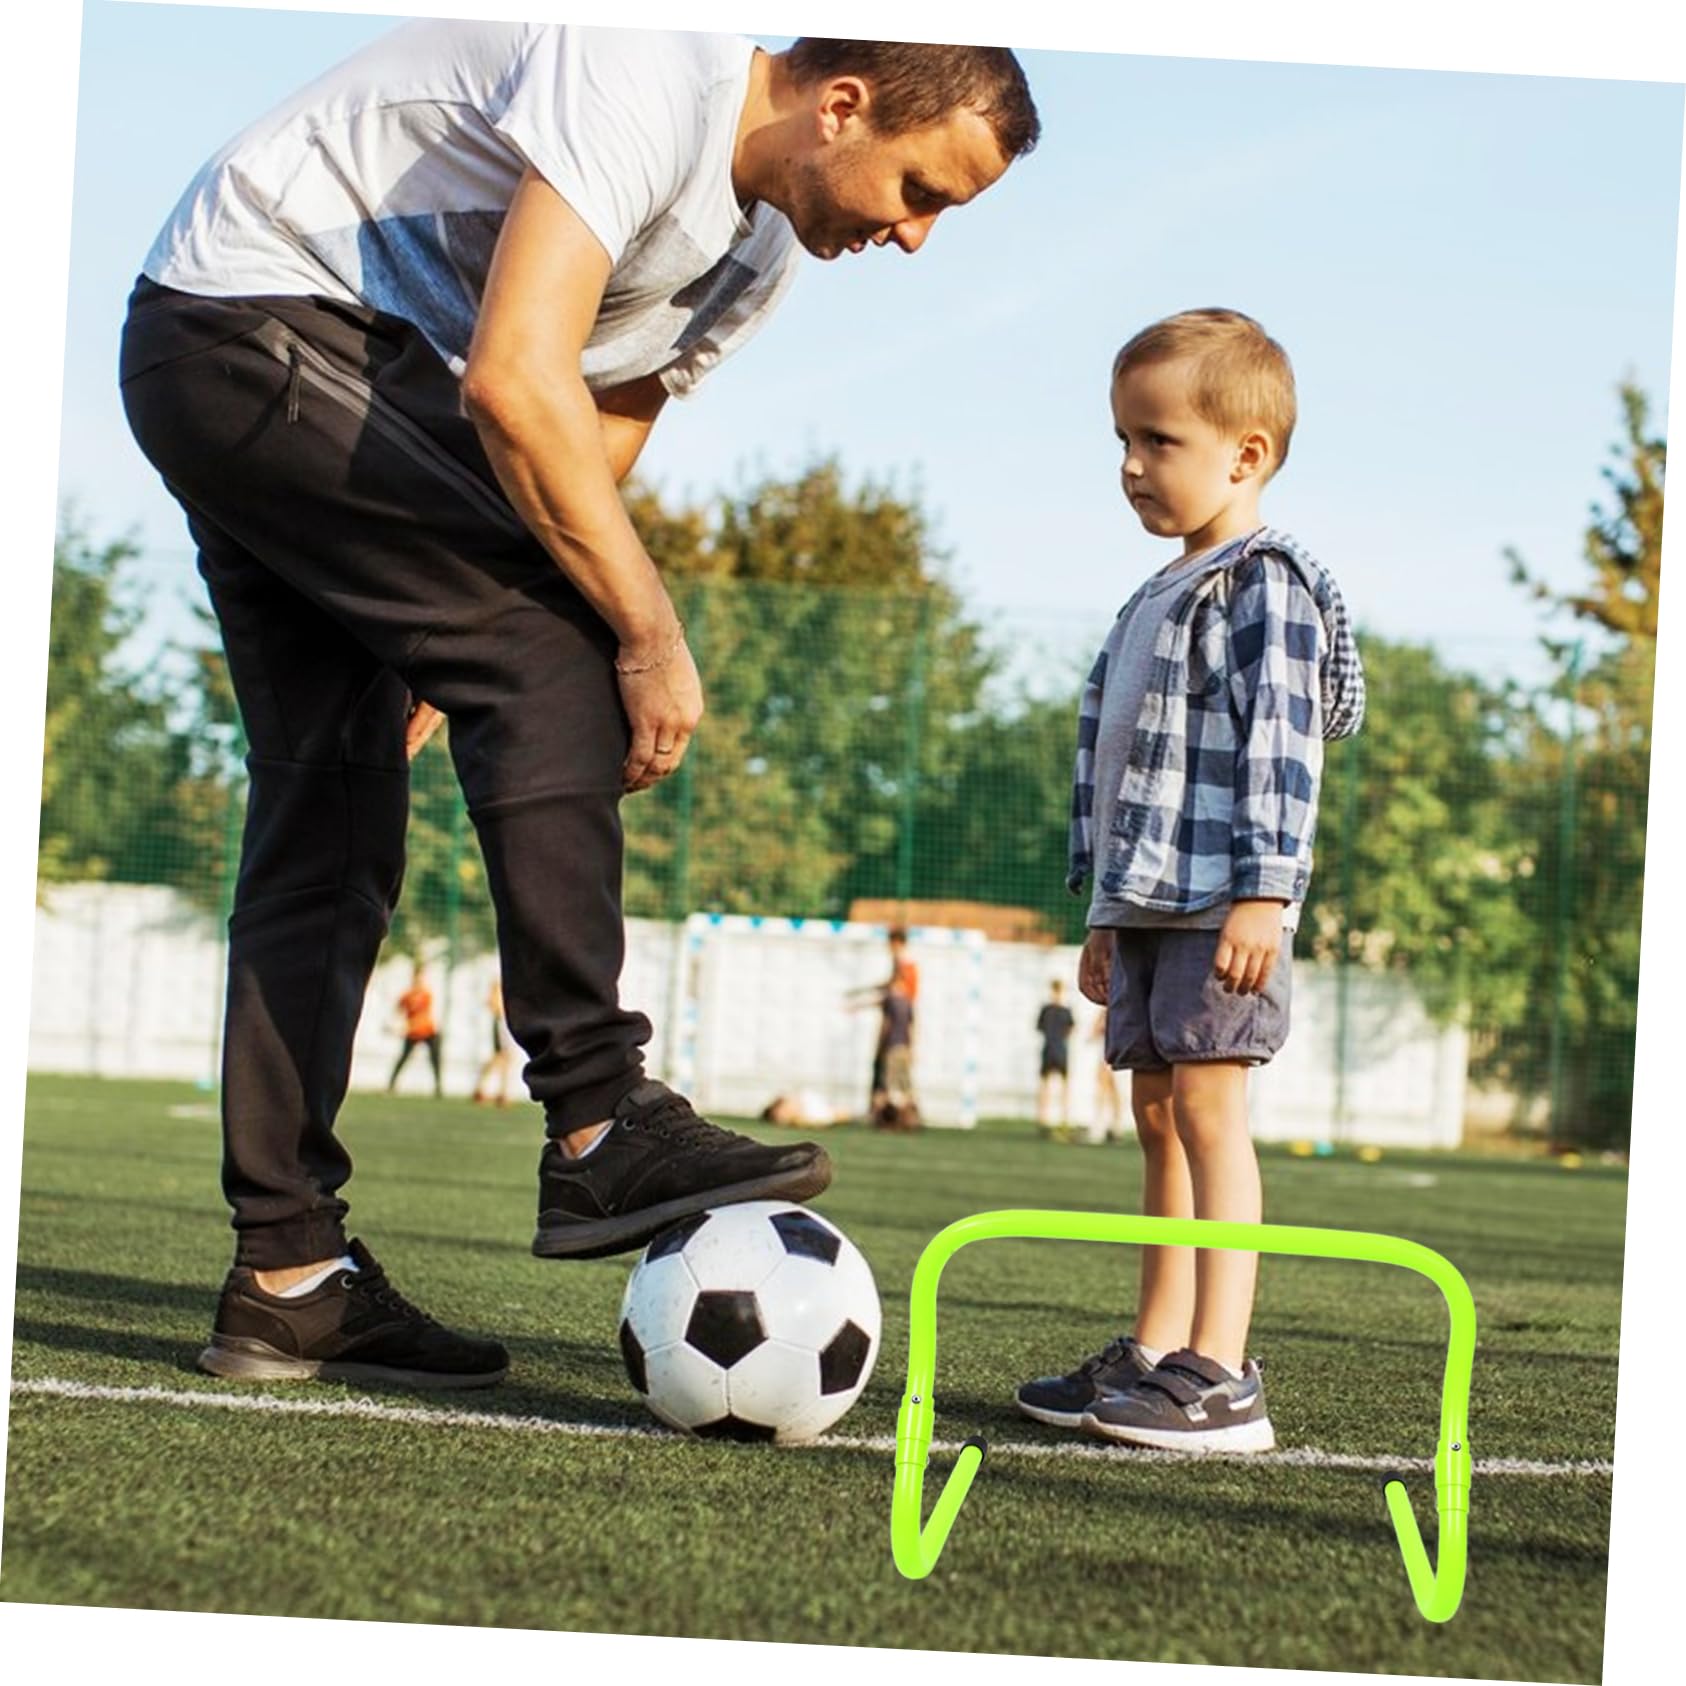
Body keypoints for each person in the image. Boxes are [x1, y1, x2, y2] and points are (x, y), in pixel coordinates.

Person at [118, 21, 1040, 1390]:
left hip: (325, 379)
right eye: (922, 194)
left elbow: (590, 433)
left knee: (333, 806)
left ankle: (287, 1274)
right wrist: (642, 628)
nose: (916, 242)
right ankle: (601, 1119)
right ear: (842, 105)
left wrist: (454, 630)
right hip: (251, 322)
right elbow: (510, 378)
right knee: (566, 642)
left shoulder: (760, 251)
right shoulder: (645, 67)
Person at [1015, 310, 1364, 1447]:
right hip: (1149, 903)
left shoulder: (1265, 586)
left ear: (1245, 454)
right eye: (1122, 439)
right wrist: (1104, 914)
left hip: (1225, 902)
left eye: (1157, 441)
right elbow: (1123, 774)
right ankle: (1155, 1351)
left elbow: (1284, 745)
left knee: (1211, 1109)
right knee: (1157, 1114)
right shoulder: (1152, 596)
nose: (1130, 465)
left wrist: (1266, 890)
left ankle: (1222, 1369)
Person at [386, 961, 444, 1098]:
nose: (419, 979)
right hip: (412, 1033)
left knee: (435, 1060)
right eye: (417, 976)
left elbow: (424, 1018)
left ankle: (438, 1088)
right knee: (403, 1058)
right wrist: (393, 1025)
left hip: (428, 1031)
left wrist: (407, 1027)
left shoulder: (426, 994)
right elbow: (397, 1011)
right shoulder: (406, 995)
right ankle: (391, 1085)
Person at [1035, 980, 1076, 1134]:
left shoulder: (1066, 1011)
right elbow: (1039, 1027)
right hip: (1049, 1049)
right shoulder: (1046, 1010)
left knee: (1064, 1086)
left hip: (1060, 1050)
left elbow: (1072, 1029)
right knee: (1045, 1085)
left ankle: (1064, 1118)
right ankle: (1043, 1119)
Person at [471, 977, 515, 1107]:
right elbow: (491, 1001)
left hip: (505, 1022)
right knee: (502, 1056)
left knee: (504, 1058)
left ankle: (500, 1092)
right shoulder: (499, 980)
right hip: (502, 1023)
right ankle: (495, 1091)